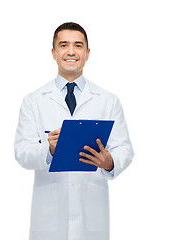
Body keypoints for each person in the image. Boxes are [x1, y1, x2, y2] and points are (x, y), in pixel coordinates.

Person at [14, 22, 134, 240]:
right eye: (63, 45)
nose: (71, 51)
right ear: (53, 53)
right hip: (48, 219)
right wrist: (49, 151)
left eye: (78, 46)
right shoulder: (33, 101)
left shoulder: (108, 101)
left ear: (87, 53)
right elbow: (22, 152)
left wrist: (110, 161)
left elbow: (125, 149)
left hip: (92, 216)